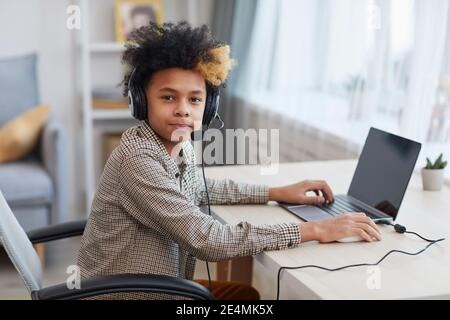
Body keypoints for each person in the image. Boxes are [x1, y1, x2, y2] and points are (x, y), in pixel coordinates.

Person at [77, 21, 381, 300]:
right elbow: (208, 240)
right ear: (141, 100)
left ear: (208, 107)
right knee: (249, 300)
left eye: (195, 100)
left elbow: (200, 188)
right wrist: (315, 230)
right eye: (168, 97)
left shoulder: (178, 144)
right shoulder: (137, 159)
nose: (184, 110)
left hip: (158, 286)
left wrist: (277, 193)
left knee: (244, 296)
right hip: (126, 295)